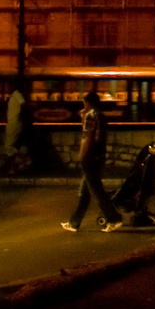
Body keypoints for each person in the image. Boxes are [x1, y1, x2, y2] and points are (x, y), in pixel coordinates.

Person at [63, 91, 123, 232]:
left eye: (84, 103)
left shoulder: (91, 115)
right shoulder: (100, 116)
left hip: (89, 157)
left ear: (88, 103)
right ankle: (74, 223)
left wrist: (82, 156)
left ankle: (114, 218)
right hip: (98, 155)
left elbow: (87, 136)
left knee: (96, 190)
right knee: (85, 192)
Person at [0, 82, 34, 175]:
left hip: (14, 124)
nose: (7, 88)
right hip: (13, 123)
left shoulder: (17, 95)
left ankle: (25, 159)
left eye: (8, 86)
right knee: (12, 146)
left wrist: (20, 117)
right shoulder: (13, 96)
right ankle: (12, 167)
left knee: (9, 147)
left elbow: (23, 105)